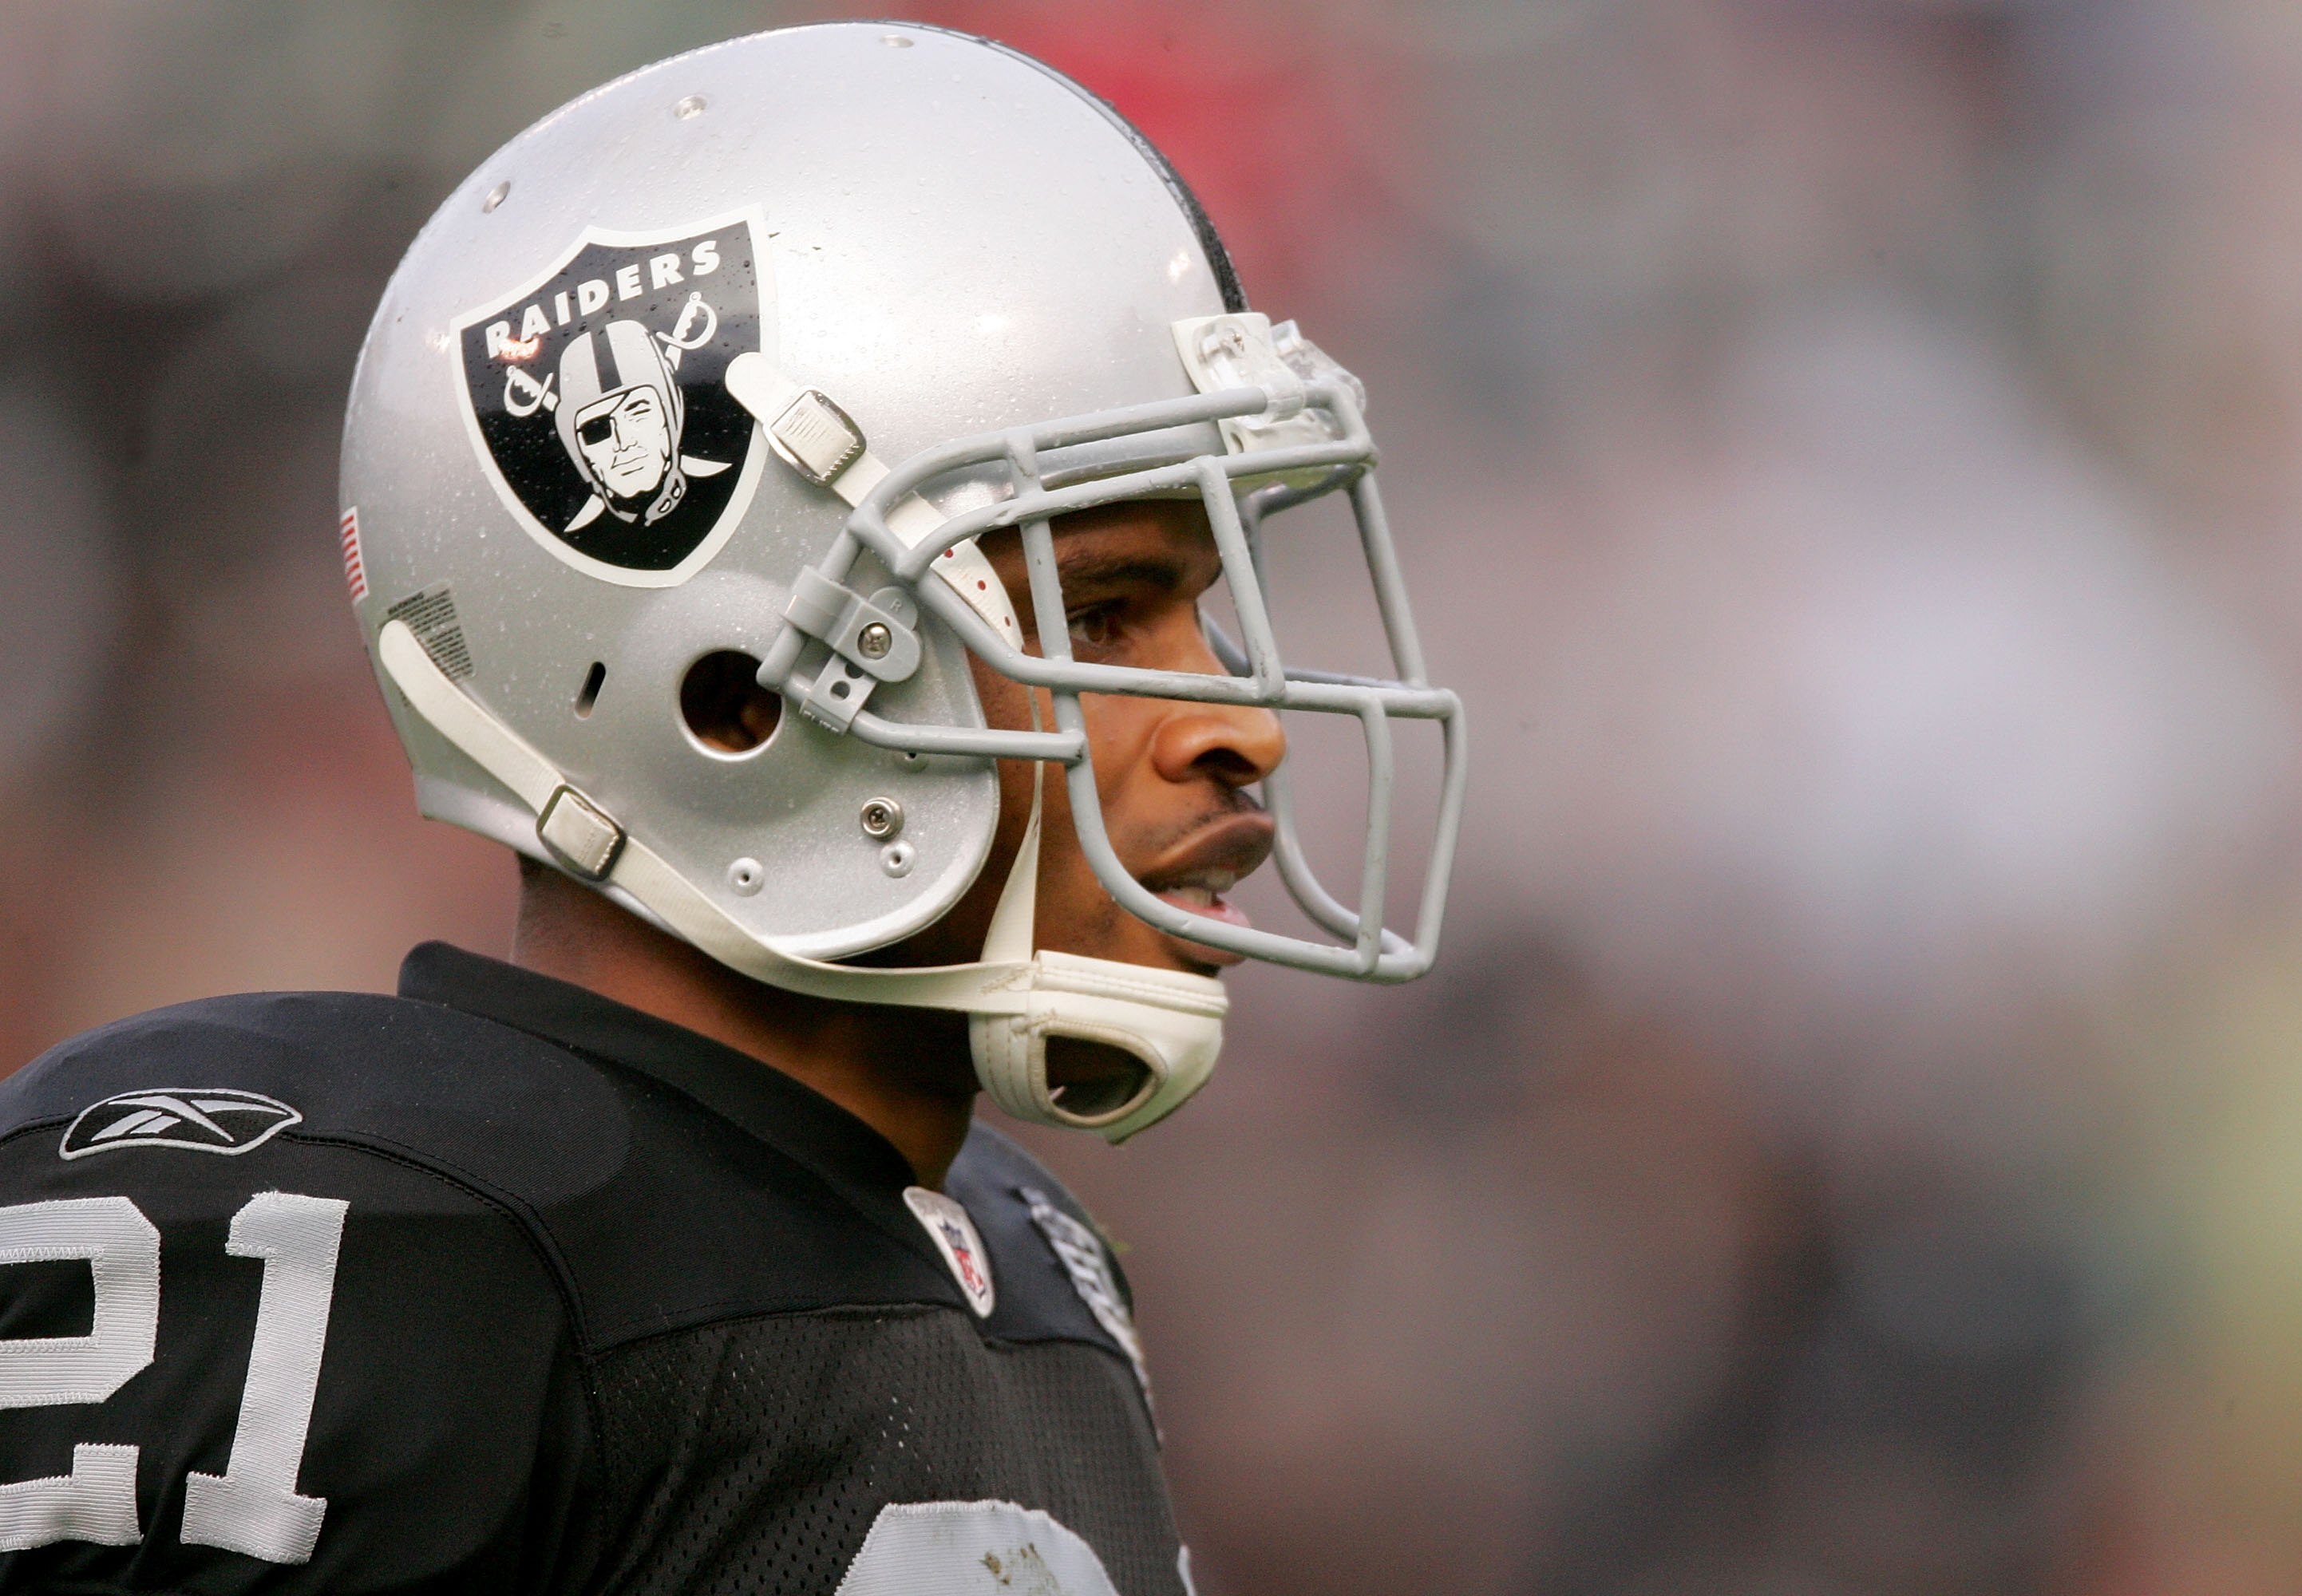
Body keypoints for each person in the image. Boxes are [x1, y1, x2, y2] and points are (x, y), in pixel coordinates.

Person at [0, 22, 1463, 1594]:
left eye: (1204, 609)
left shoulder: (1026, 1265)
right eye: (1102, 614)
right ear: (733, 695)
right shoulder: (351, 1234)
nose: (1238, 723)